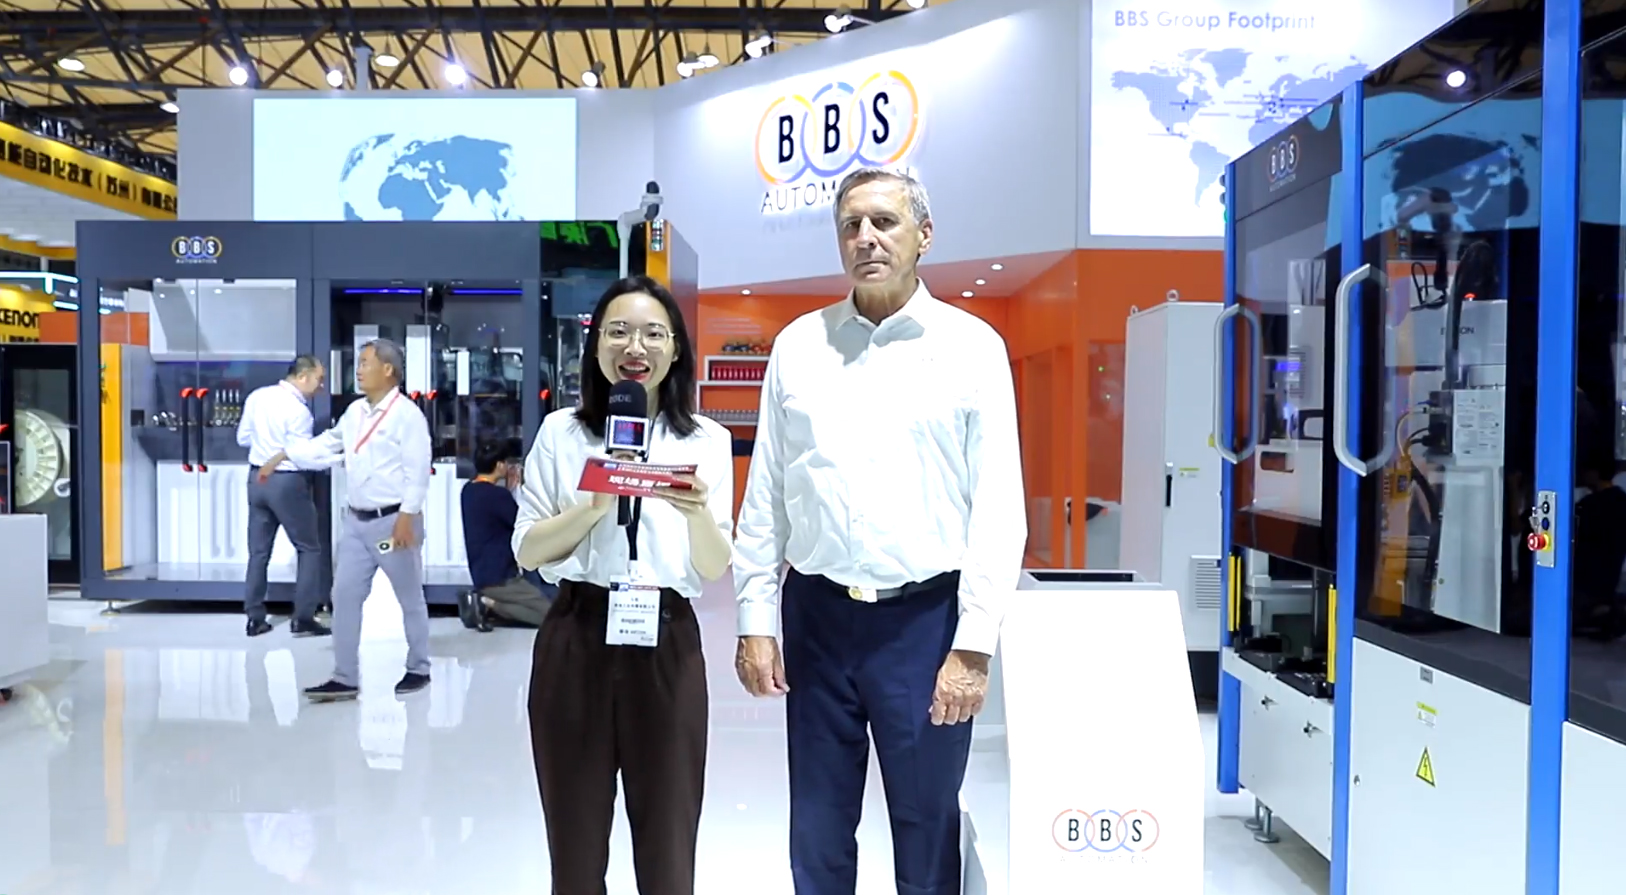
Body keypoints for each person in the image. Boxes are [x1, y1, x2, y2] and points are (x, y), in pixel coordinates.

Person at [732, 168, 1027, 895]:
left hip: (925, 624)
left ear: (924, 235)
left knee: (927, 829)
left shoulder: (972, 347)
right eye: (851, 225)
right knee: (817, 828)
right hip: (818, 618)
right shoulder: (799, 347)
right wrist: (754, 619)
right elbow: (766, 493)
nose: (866, 238)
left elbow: (999, 506)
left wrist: (973, 645)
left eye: (884, 222)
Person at [512, 275, 733, 895]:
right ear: (596, 345)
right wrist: (591, 505)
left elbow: (714, 566)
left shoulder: (706, 440)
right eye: (618, 331)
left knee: (668, 845)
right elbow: (528, 549)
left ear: (676, 348)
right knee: (575, 847)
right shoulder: (562, 433)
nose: (635, 347)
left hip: (666, 638)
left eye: (653, 333)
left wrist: (697, 512)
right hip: (576, 633)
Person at [260, 339, 435, 702]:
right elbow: (329, 443)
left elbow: (418, 470)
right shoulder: (355, 412)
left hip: (393, 523)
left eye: (366, 362)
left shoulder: (407, 416)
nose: (359, 369)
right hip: (356, 524)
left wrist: (407, 516)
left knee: (408, 596)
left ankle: (419, 667)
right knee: (344, 595)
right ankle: (345, 676)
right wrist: (284, 454)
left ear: (388, 369)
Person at [237, 355, 330, 638]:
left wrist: (265, 447)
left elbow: (243, 438)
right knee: (309, 548)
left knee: (258, 552)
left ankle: (254, 617)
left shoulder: (257, 397)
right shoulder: (299, 411)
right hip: (288, 483)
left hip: (257, 479)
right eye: (319, 380)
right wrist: (332, 459)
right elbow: (300, 455)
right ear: (303, 377)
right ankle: (303, 618)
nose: (321, 387)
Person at [459, 442, 553, 629]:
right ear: (499, 465)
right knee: (550, 616)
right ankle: (488, 605)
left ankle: (486, 603)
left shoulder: (468, 490)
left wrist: (508, 491)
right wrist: (516, 491)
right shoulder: (498, 496)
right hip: (502, 578)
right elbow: (520, 522)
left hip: (481, 574)